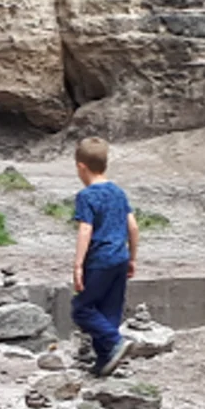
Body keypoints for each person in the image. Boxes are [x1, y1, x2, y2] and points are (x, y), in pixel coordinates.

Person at [71, 136, 139, 377]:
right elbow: (133, 227)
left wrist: (78, 265)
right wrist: (132, 257)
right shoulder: (118, 193)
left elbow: (85, 229)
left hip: (99, 260)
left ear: (81, 167)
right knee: (109, 310)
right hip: (120, 258)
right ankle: (105, 360)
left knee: (82, 309)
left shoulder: (86, 196)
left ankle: (115, 341)